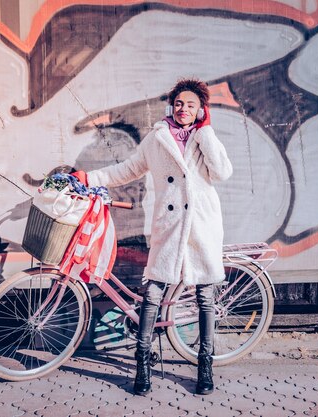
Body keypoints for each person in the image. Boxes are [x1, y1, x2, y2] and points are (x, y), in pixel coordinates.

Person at [74, 78, 232, 395]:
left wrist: (206, 134)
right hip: (169, 224)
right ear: (170, 107)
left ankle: (205, 365)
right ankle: (142, 363)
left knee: (204, 298)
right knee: (153, 293)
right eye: (178, 104)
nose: (183, 109)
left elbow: (222, 173)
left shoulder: (204, 137)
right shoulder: (157, 138)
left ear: (201, 110)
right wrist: (89, 177)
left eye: (190, 105)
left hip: (202, 225)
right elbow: (127, 169)